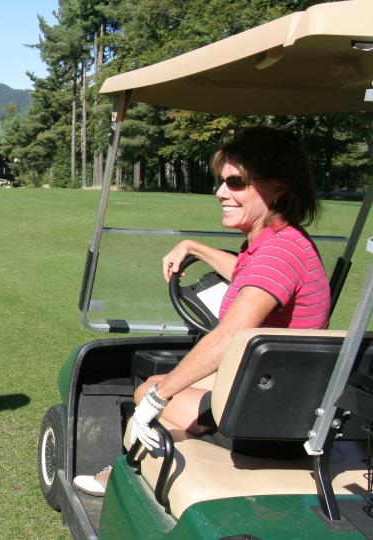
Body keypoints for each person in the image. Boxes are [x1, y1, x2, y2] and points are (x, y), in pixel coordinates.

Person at [73, 126, 331, 497]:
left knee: (148, 389)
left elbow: (229, 337)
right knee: (169, 383)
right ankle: (132, 465)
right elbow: (245, 273)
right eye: (222, 181)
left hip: (263, 413)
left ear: (278, 187)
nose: (221, 192)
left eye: (236, 182)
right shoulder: (278, 243)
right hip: (276, 390)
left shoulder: (277, 255)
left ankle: (122, 477)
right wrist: (194, 247)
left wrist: (160, 396)